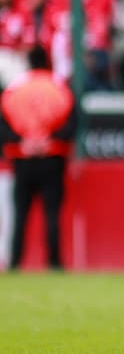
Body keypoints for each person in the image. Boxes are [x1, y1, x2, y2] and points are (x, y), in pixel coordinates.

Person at [2, 46, 74, 271]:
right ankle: (54, 262)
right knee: (51, 214)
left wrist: (22, 142)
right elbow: (72, 122)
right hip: (52, 156)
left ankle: (15, 262)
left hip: (22, 158)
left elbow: (3, 123)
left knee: (20, 215)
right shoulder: (59, 87)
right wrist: (48, 139)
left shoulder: (15, 90)